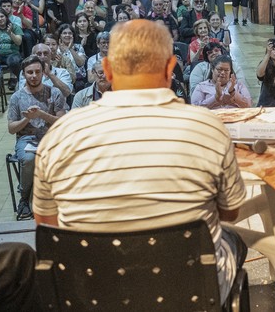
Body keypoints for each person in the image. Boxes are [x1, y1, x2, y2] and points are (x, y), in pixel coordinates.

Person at [32, 20, 248, 301]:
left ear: (107, 70)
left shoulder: (60, 135)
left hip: (93, 294)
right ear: (171, 69)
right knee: (234, 240)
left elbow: (47, 225)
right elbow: (230, 212)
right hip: (188, 293)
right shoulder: (207, 128)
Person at [8, 55, 68, 220]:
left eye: (37, 72)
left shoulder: (54, 92)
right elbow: (11, 129)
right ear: (24, 74)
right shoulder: (17, 97)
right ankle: (24, 198)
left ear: (43, 73)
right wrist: (27, 118)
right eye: (29, 72)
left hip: (52, 138)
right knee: (28, 159)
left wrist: (41, 114)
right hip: (27, 140)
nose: (33, 76)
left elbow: (62, 122)